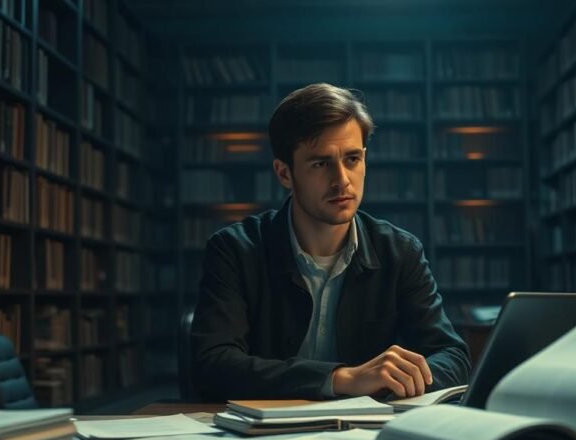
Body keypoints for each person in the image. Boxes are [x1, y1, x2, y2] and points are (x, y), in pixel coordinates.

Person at [190, 82, 470, 400]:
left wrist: (399, 381)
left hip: (361, 434)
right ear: (284, 173)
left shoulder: (400, 251)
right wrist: (340, 379)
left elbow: (452, 357)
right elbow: (211, 366)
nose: (342, 180)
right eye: (321, 164)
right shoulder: (235, 250)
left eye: (352, 159)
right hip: (262, 433)